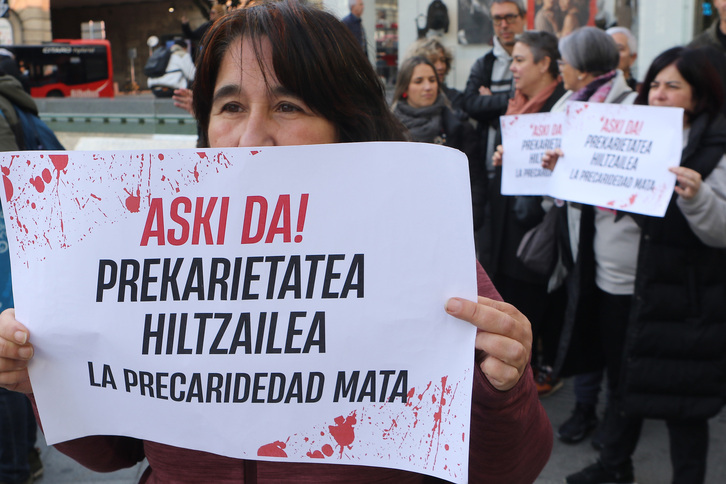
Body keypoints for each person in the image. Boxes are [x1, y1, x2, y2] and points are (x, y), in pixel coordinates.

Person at [0, 2, 552, 483]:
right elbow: (112, 453)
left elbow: (509, 470)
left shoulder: (421, 253)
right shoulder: (145, 252)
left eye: (288, 107)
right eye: (231, 107)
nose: (250, 139)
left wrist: (503, 389)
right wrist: (49, 379)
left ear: (346, 122)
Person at [546, 45, 726, 484]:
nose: (659, 94)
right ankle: (614, 464)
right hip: (615, 284)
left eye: (673, 86)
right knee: (623, 379)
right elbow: (592, 196)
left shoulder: (715, 147)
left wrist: (698, 198)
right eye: (655, 84)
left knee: (682, 399)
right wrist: (564, 171)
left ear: (699, 93)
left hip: (677, 297)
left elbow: (720, 231)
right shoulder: (626, 132)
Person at [546, 26, 637, 448]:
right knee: (582, 321)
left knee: (615, 336)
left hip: (617, 245)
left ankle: (616, 422)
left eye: (563, 61)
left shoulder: (631, 106)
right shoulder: (567, 104)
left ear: (582, 69)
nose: (559, 68)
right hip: (576, 238)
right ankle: (584, 408)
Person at [488, 31, 567, 398]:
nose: (513, 68)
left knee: (533, 307)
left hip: (536, 230)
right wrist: (506, 160)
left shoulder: (562, 109)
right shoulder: (517, 104)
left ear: (544, 63)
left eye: (520, 60)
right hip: (507, 228)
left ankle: (533, 373)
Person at [0, 74, 44, 484]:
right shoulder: (23, 108)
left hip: (9, 254)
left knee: (9, 361)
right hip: (29, 255)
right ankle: (26, 456)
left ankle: (14, 467)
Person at [462, 0, 526, 261]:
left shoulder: (535, 58)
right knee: (488, 246)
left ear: (523, 18)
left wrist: (491, 102)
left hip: (525, 166)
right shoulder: (484, 64)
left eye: (510, 17)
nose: (504, 25)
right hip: (489, 165)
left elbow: (535, 104)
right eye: (498, 19)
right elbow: (469, 103)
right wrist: (511, 100)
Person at [391, 56, 482, 223]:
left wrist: (469, 219)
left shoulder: (459, 127)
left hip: (449, 219)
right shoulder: (389, 130)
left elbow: (474, 180)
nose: (428, 87)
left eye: (432, 80)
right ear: (405, 87)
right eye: (419, 81)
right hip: (402, 218)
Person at [405, 37, 465, 112]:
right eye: (433, 61)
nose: (440, 67)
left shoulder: (454, 98)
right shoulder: (398, 104)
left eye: (443, 60)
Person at [606, 26, 638, 91]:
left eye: (619, 49)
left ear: (632, 57)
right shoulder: (592, 90)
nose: (613, 53)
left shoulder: (640, 91)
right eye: (608, 49)